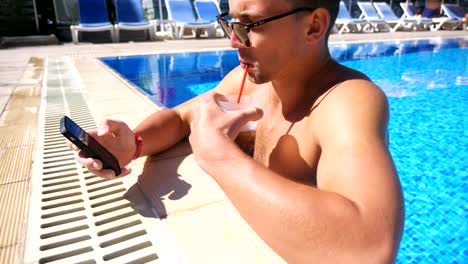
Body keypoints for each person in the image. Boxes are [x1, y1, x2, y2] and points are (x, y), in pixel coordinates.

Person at [70, 0, 405, 262]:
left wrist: (218, 155)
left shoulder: (346, 100)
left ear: (313, 26)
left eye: (249, 25)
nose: (233, 41)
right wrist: (134, 143)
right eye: (230, 22)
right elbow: (182, 117)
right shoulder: (250, 81)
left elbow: (370, 248)